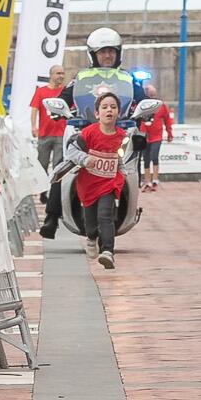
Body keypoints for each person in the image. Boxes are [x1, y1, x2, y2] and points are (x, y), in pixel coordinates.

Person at [40, 29, 149, 240]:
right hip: (86, 132)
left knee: (133, 158)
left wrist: (145, 110)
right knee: (64, 163)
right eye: (102, 52)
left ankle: (130, 200)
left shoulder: (128, 79)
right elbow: (64, 97)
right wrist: (59, 106)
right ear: (93, 54)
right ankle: (51, 217)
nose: (107, 56)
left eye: (111, 51)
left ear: (118, 53)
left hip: (120, 132)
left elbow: (142, 99)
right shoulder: (82, 77)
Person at [63, 91, 130, 269]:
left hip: (109, 183)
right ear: (97, 113)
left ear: (119, 112)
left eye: (113, 107)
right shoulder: (88, 133)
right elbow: (71, 151)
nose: (109, 110)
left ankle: (107, 252)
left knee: (105, 215)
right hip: (88, 185)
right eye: (105, 107)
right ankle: (91, 238)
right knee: (91, 221)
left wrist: (122, 171)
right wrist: (85, 160)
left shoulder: (122, 136)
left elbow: (119, 156)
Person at [28, 65, 69, 199]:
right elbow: (34, 109)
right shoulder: (41, 91)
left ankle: (54, 193)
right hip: (45, 133)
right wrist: (33, 126)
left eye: (62, 73)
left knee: (58, 165)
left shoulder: (66, 92)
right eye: (58, 73)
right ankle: (43, 190)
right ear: (51, 75)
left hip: (61, 134)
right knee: (42, 163)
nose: (61, 76)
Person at [137, 84, 175, 191]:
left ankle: (155, 180)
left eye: (153, 94)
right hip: (144, 136)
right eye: (150, 94)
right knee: (146, 159)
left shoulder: (161, 105)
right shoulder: (142, 105)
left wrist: (169, 133)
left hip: (156, 136)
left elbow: (167, 119)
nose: (152, 96)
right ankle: (147, 181)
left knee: (154, 156)